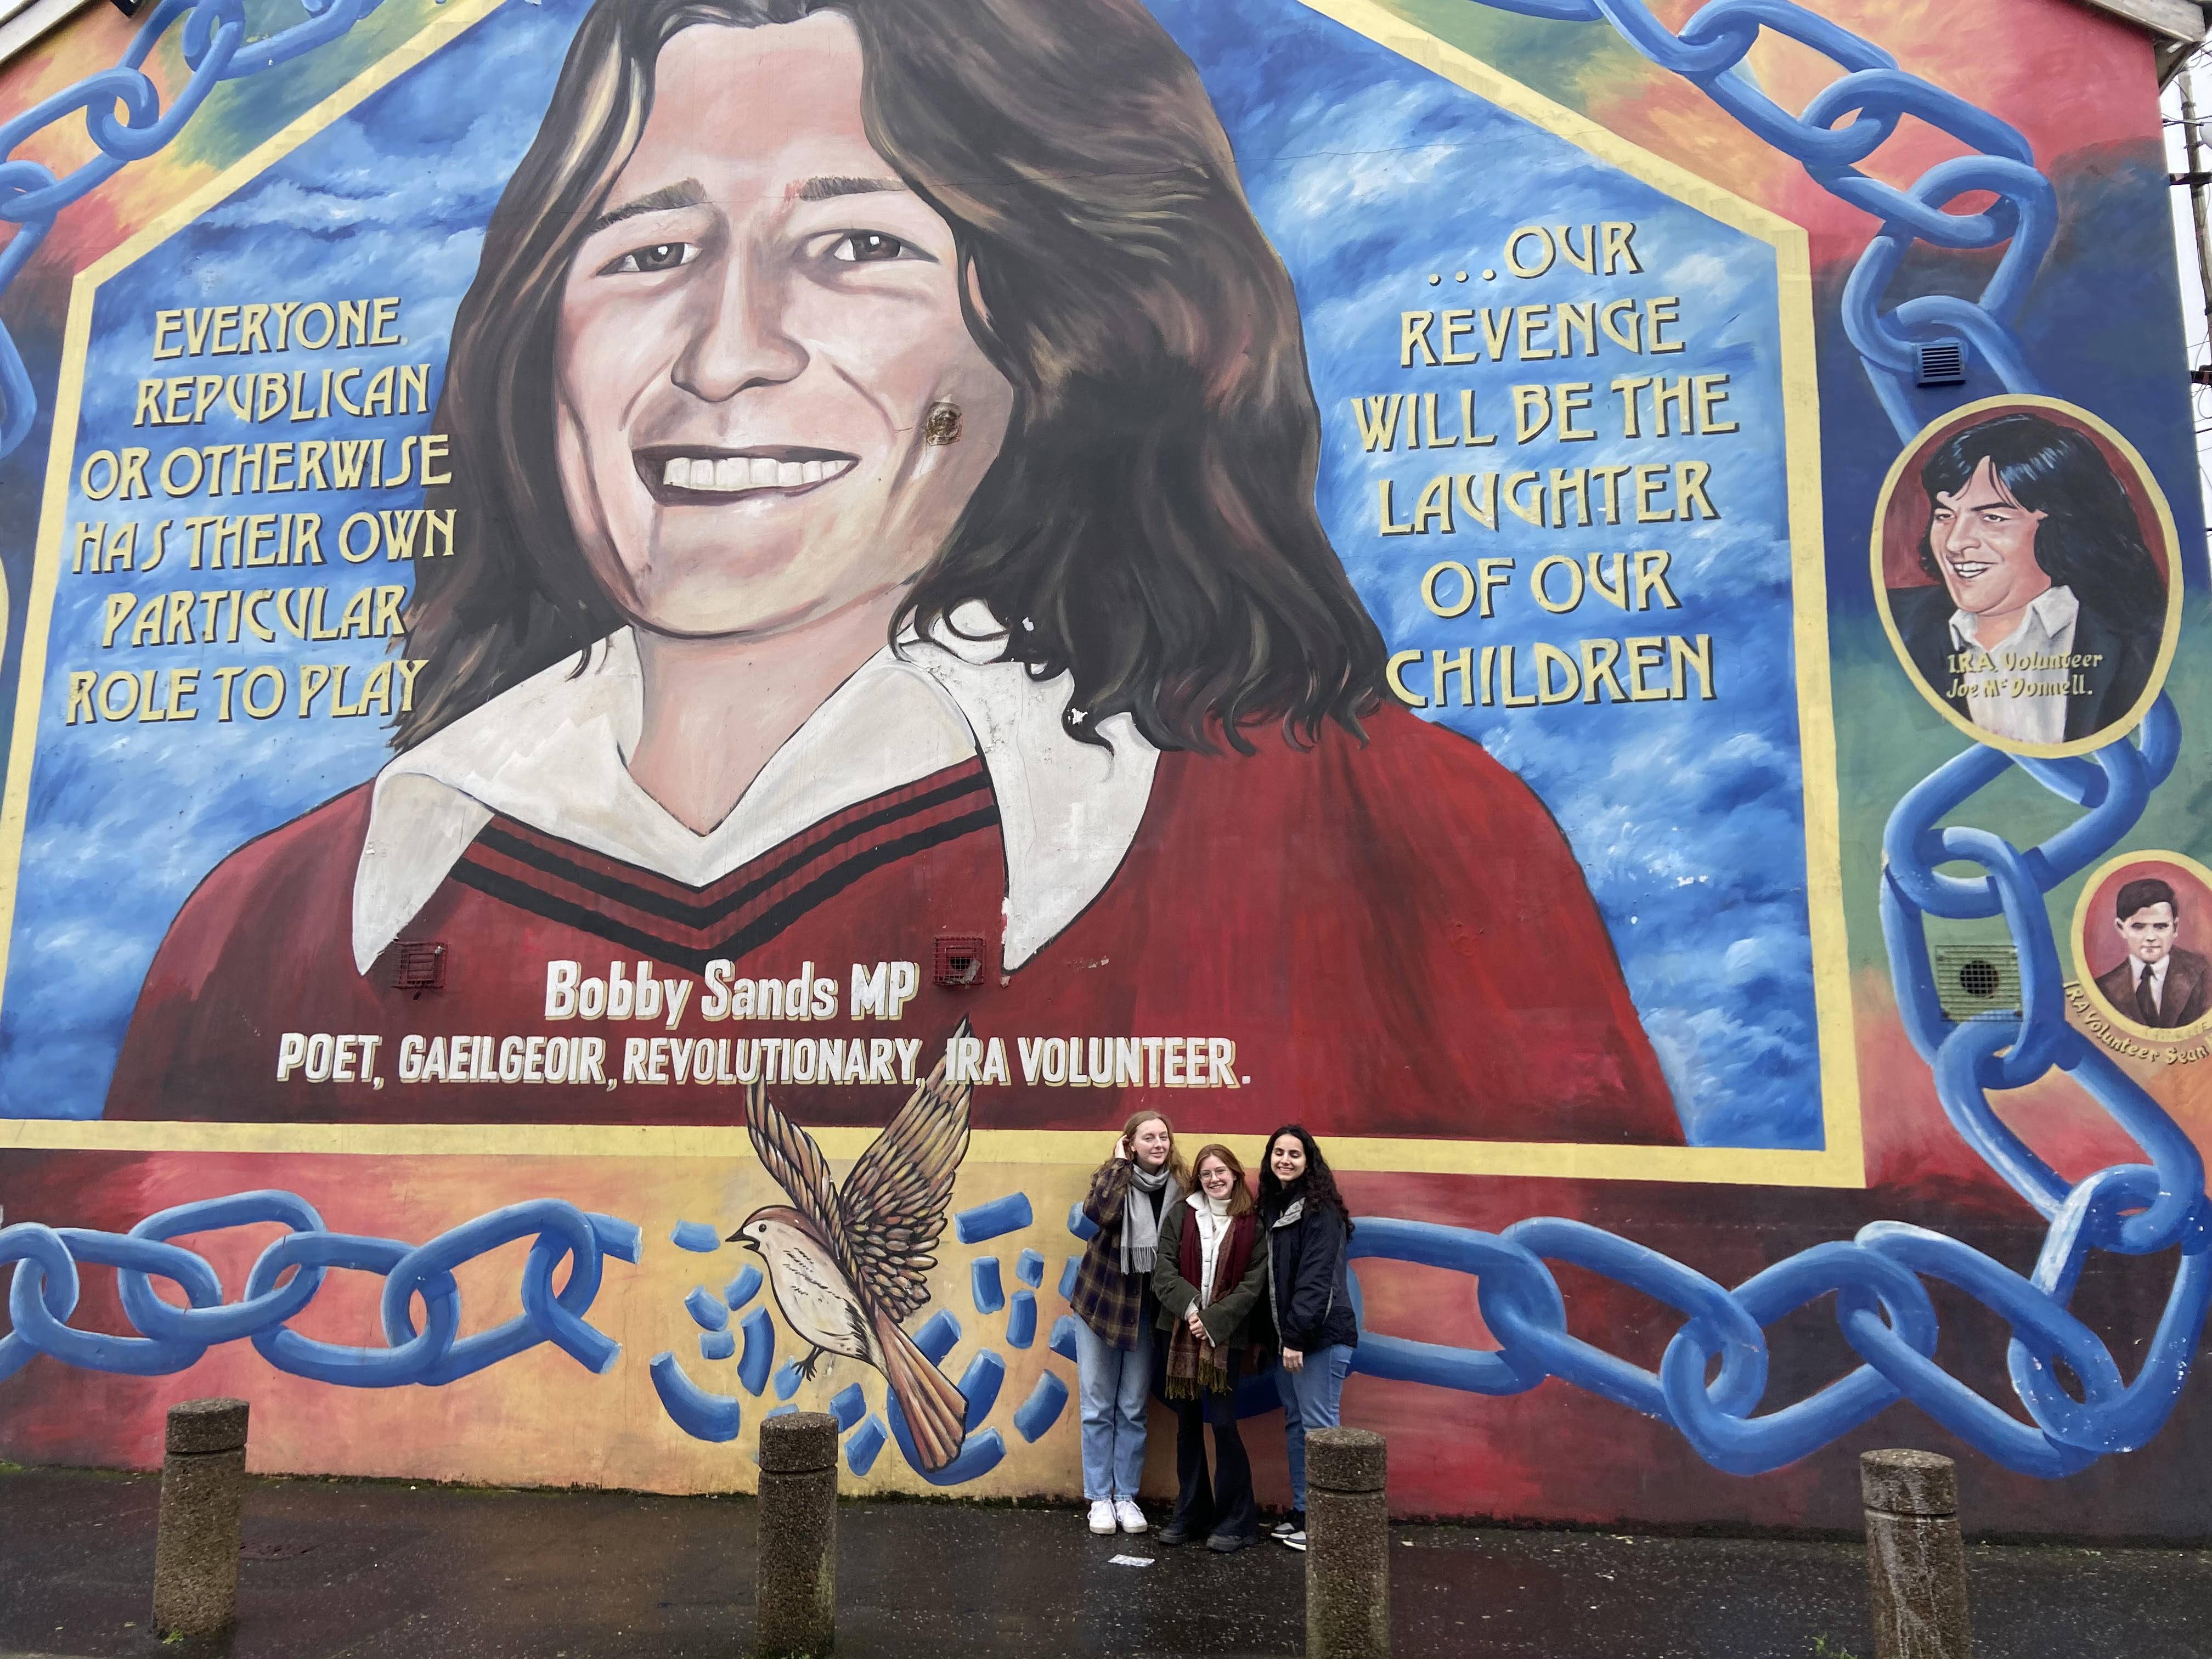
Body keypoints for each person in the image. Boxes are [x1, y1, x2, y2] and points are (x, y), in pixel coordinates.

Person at [105, 0, 1681, 1152]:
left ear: (1054, 334)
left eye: (858, 247)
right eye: (649, 252)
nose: (727, 354)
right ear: (540, 342)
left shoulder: (1397, 850)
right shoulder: (277, 926)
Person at [1888, 411, 2164, 747]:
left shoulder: (2138, 635)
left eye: (1992, 518)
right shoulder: (1891, 625)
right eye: (1945, 515)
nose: (1955, 543)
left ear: (2061, 524)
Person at [1069, 1110, 1186, 1535]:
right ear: (1131, 1143)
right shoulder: (1113, 1179)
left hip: (1145, 1312)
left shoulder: (1179, 1190)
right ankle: (1100, 1497)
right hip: (1102, 1304)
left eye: (1163, 1137)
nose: (1158, 1144)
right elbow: (1098, 1212)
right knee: (1098, 1406)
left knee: (1134, 1408)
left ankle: (1126, 1497)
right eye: (1148, 1137)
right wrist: (1119, 1164)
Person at [1149, 1142, 1271, 1553]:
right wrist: (1192, 1311)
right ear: (1198, 1179)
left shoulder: (1253, 1223)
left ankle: (1238, 1522)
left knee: (1222, 1422)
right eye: (1206, 1174)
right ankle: (1191, 1513)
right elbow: (1163, 1270)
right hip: (1178, 1330)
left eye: (1221, 1171)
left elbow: (1254, 1284)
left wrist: (1214, 1321)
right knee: (1187, 1424)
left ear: (1235, 1173)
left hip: (1226, 1337)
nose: (1214, 1179)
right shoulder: (1181, 1214)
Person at [1259, 1124, 1358, 1552]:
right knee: (1298, 1424)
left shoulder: (1320, 1212)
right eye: (1278, 1153)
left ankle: (1327, 1524)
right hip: (1291, 1339)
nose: (1285, 1160)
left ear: (1309, 1161)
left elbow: (1317, 1282)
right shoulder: (1277, 1209)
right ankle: (1304, 1511)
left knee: (1319, 1429)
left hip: (1318, 1339)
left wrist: (1296, 1338)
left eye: (1294, 1154)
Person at [2094, 877, 2212, 1030]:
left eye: (2161, 927)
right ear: (2121, 928)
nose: (2150, 937)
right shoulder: (2104, 988)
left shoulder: (2203, 973)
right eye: (2138, 927)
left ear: (2175, 928)